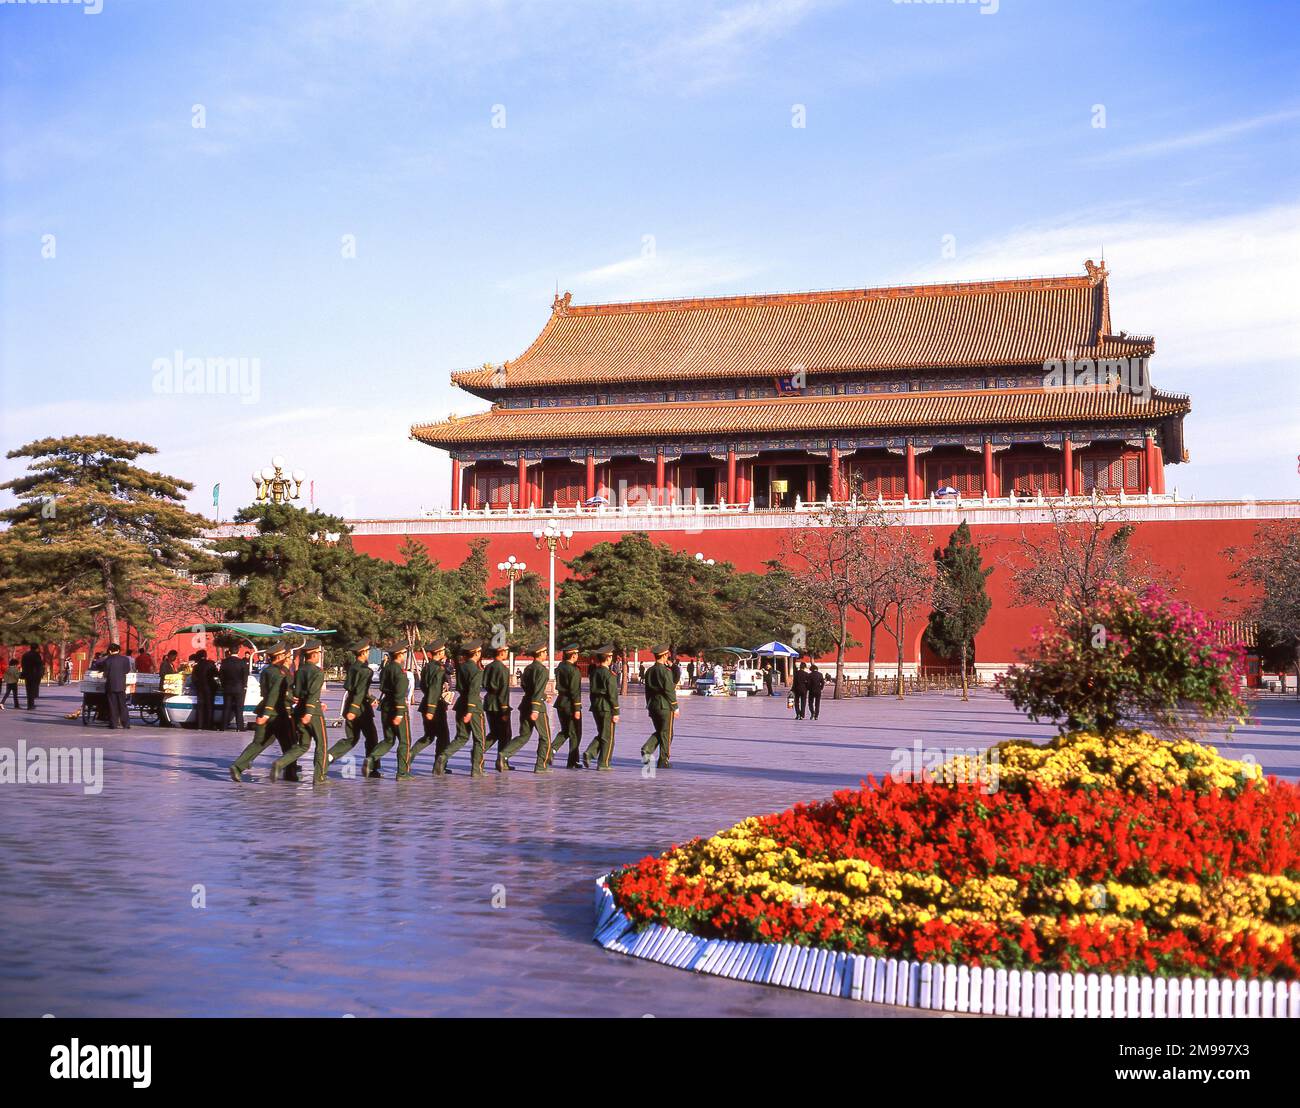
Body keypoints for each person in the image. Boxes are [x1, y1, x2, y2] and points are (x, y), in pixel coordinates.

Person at [229, 641, 295, 781]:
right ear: (279, 656)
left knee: (259, 742)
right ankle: (291, 773)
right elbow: (277, 692)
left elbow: (266, 691)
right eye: (285, 655)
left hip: (265, 708)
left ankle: (238, 766)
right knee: (290, 744)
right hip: (278, 712)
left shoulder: (267, 670)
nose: (288, 657)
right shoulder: (280, 673)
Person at [272, 641, 329, 783]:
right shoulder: (317, 672)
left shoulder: (299, 671)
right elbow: (313, 693)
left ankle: (281, 763)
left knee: (303, 745)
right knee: (322, 745)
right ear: (315, 655)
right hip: (313, 713)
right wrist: (309, 712)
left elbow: (297, 692)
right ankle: (319, 777)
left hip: (299, 710)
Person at [328, 642, 381, 776]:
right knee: (371, 737)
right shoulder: (366, 671)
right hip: (361, 709)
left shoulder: (353, 667)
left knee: (351, 738)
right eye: (368, 651)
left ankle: (329, 756)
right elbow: (360, 691)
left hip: (350, 704)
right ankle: (371, 767)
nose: (368, 653)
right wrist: (355, 708)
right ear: (363, 653)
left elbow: (350, 687)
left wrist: (369, 698)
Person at [500, 643, 552, 773]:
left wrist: (544, 696)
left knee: (524, 735)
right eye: (545, 652)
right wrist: (536, 707)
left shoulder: (528, 668)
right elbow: (538, 689)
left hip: (525, 704)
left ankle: (504, 754)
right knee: (545, 737)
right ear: (540, 654)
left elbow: (527, 687)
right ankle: (541, 765)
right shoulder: (542, 670)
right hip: (537, 709)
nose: (546, 654)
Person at [365, 644, 414, 779]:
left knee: (388, 739)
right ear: (400, 655)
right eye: (404, 653)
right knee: (404, 741)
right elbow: (399, 693)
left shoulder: (386, 669)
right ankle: (402, 772)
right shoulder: (400, 672)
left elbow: (382, 687)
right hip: (397, 707)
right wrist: (399, 713)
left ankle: (371, 759)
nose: (405, 655)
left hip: (386, 706)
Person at [438, 642, 486, 777]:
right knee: (479, 739)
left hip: (461, 704)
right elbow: (473, 691)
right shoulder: (476, 671)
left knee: (461, 737)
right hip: (473, 707)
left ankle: (443, 757)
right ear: (476, 653)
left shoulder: (462, 668)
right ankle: (477, 769)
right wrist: (470, 711)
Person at [408, 641, 451, 774]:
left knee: (429, 736)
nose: (444, 653)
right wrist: (432, 708)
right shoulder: (439, 668)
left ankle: (407, 757)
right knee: (444, 737)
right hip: (435, 706)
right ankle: (439, 765)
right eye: (443, 651)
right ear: (439, 652)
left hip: (426, 703)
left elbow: (423, 686)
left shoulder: (427, 667)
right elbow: (434, 689)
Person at [640, 645, 679, 770]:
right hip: (665, 705)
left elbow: (647, 691)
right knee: (667, 733)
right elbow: (669, 689)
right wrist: (675, 706)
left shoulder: (649, 671)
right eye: (667, 654)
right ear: (664, 655)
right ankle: (663, 760)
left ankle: (647, 749)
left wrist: (649, 705)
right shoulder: (664, 671)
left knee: (660, 731)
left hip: (653, 705)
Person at [582, 646, 619, 770]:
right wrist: (616, 711)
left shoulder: (594, 672)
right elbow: (612, 695)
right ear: (608, 658)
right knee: (608, 737)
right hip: (607, 707)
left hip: (596, 706)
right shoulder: (609, 675)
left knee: (602, 733)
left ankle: (590, 752)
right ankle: (603, 763)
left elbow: (591, 692)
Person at [550, 644, 583, 769]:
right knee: (576, 732)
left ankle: (553, 751)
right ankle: (571, 761)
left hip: (560, 702)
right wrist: (577, 708)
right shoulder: (573, 671)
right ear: (574, 655)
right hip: (570, 704)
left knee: (565, 730)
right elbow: (575, 691)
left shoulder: (560, 667)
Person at [482, 644, 513, 770]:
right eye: (506, 651)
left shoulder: (488, 667)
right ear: (501, 652)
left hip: (489, 702)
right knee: (505, 734)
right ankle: (502, 761)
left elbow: (484, 683)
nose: (507, 653)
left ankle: (479, 751)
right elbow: (503, 690)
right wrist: (505, 707)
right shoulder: (503, 669)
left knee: (494, 733)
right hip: (500, 705)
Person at [100, 642, 134, 729]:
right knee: (123, 705)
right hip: (121, 686)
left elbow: (105, 674)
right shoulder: (125, 659)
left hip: (111, 686)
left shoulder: (107, 660)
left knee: (112, 706)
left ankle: (113, 724)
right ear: (118, 650)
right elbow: (127, 670)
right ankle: (126, 724)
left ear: (110, 651)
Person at [218, 647, 250, 731]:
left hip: (227, 688)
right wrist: (244, 685)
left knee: (226, 707)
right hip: (239, 688)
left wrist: (223, 685)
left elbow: (221, 675)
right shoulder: (242, 662)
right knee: (239, 708)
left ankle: (223, 727)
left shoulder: (225, 662)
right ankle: (240, 727)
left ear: (229, 652)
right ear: (238, 652)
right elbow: (245, 675)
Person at [189, 649, 219, 730]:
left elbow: (193, 679)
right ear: (205, 656)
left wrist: (198, 685)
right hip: (210, 688)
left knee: (200, 707)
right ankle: (209, 725)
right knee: (209, 707)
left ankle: (200, 725)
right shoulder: (211, 663)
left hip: (200, 689)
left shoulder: (196, 666)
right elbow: (216, 674)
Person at [20, 644, 44, 710]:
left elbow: (22, 664)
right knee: (33, 690)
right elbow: (39, 665)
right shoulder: (36, 655)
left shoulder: (25, 655)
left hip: (27, 674)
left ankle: (29, 705)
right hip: (34, 675)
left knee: (28, 690)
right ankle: (31, 705)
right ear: (36, 648)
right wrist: (40, 674)